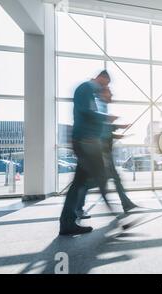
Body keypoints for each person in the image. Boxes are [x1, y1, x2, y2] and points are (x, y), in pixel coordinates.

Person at [59, 70, 117, 236]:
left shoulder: (90, 92)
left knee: (80, 182)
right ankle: (117, 217)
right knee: (99, 178)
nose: (104, 88)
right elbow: (87, 113)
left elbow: (89, 115)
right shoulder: (86, 89)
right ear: (100, 79)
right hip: (86, 142)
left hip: (87, 142)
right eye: (104, 84)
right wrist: (106, 118)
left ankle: (67, 222)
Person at [75, 86, 138, 219]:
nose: (112, 94)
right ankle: (78, 208)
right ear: (103, 93)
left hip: (102, 149)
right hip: (100, 150)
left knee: (112, 178)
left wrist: (116, 133)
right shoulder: (100, 105)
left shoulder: (102, 106)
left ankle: (125, 203)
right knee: (93, 182)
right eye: (109, 92)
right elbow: (100, 128)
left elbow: (104, 128)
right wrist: (116, 127)